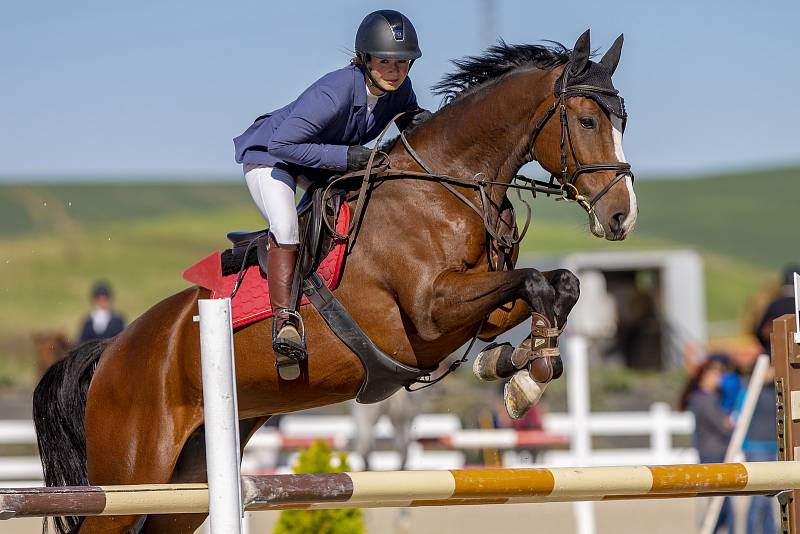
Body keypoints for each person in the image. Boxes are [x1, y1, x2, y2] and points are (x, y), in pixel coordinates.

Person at [232, 10, 432, 380]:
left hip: (315, 160)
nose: (395, 70)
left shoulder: (400, 90)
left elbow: (410, 118)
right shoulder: (336, 90)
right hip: (271, 157)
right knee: (287, 226)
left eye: (403, 62)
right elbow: (284, 142)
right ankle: (285, 322)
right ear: (365, 59)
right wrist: (344, 157)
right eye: (385, 61)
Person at [679, 358, 735, 533]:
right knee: (721, 502)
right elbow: (723, 426)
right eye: (715, 375)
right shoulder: (706, 399)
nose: (718, 379)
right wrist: (730, 423)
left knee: (718, 500)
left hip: (709, 452)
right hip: (714, 453)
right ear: (705, 377)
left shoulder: (699, 398)